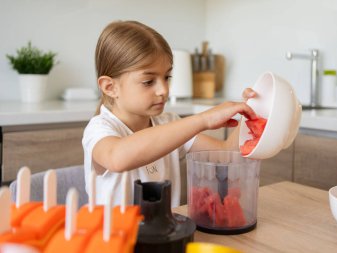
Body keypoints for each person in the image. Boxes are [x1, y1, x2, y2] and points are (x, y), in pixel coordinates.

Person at [82, 20, 256, 207]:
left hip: (164, 235)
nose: (163, 90)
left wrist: (251, 109)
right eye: (149, 81)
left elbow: (226, 153)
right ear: (110, 87)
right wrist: (203, 120)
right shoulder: (99, 129)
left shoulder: (169, 123)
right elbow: (118, 158)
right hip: (117, 236)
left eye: (167, 77)